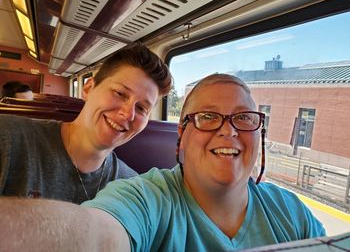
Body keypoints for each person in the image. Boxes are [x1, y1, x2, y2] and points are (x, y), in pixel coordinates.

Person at [0, 74, 325, 251]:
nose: (229, 130)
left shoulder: (290, 211)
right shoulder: (144, 197)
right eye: (208, 117)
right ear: (181, 136)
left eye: (244, 117)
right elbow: (97, 235)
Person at [0, 43, 172, 204]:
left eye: (141, 108)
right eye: (120, 93)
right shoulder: (8, 137)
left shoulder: (130, 187)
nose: (128, 113)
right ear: (89, 88)